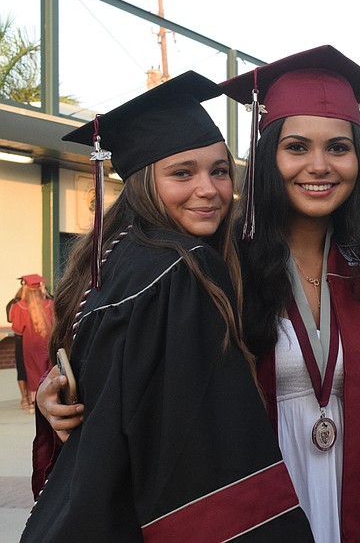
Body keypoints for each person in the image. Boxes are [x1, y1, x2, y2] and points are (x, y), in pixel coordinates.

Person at [22, 71, 312, 541]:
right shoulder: (183, 270)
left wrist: (49, 397)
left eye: (220, 171)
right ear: (141, 182)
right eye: (182, 173)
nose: (209, 189)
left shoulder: (107, 260)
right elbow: (199, 444)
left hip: (87, 509)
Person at [220, 46, 360, 543]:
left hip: (357, 493)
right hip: (262, 495)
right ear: (268, 154)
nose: (319, 165)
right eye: (297, 147)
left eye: (338, 147)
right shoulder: (225, 266)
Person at [9, 274, 53, 413]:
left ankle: (34, 402)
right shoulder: (50, 304)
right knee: (47, 367)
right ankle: (49, 397)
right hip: (46, 340)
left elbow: (17, 330)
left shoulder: (19, 307)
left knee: (32, 369)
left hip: (29, 343)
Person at [6, 284, 28, 410]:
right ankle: (25, 397)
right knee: (23, 368)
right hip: (22, 339)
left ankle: (26, 398)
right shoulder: (15, 304)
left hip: (25, 339)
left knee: (26, 368)